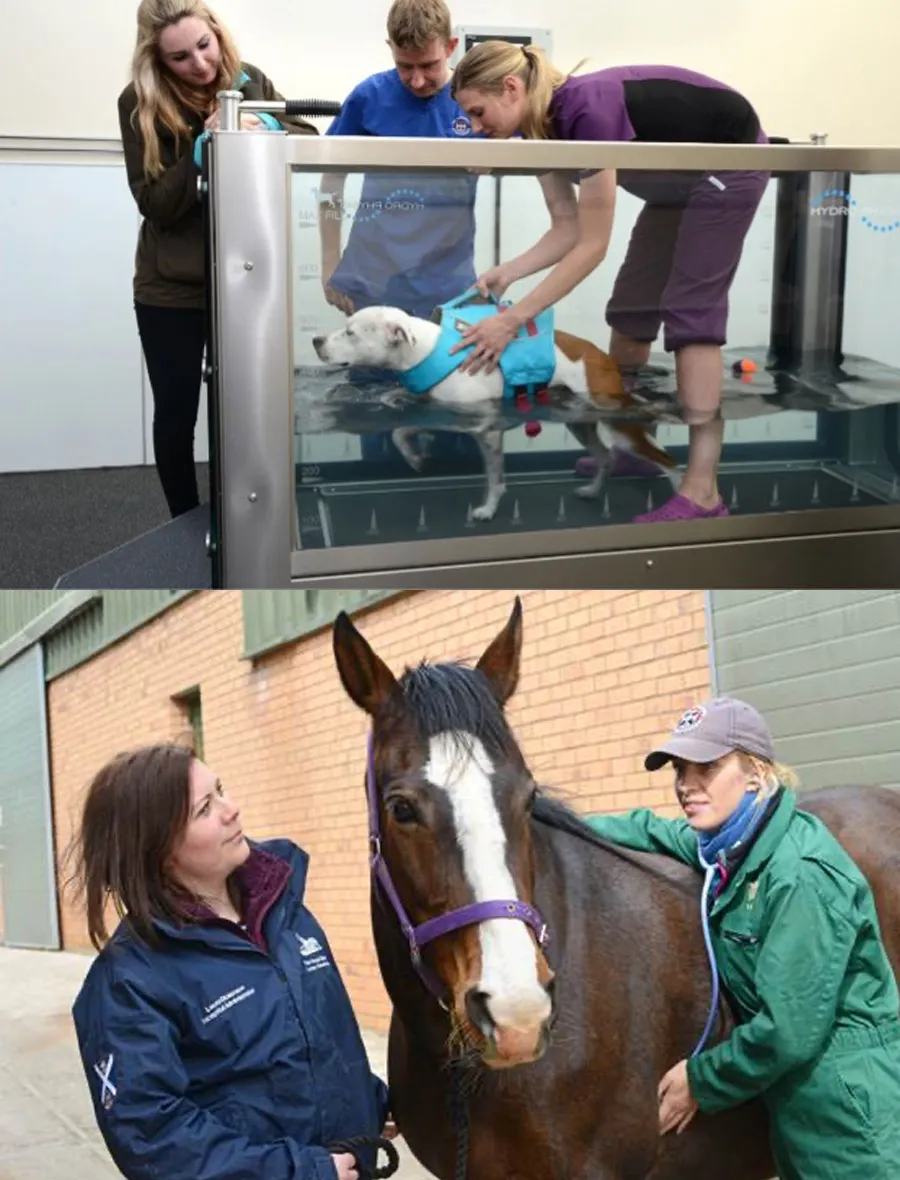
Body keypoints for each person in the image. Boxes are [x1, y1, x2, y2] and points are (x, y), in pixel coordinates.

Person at [450, 45, 773, 523]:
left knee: (691, 312)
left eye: (477, 112)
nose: (476, 127)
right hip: (675, 181)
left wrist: (513, 320)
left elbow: (592, 246)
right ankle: (634, 447)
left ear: (512, 88)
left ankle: (703, 493)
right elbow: (567, 229)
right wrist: (508, 272)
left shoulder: (587, 110)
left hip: (729, 161)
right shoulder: (538, 131)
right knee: (631, 309)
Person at [584, 696, 900, 1180]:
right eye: (680, 770)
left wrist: (700, 1080)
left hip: (847, 1110)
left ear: (756, 773)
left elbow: (787, 1031)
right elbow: (651, 830)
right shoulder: (731, 844)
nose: (686, 785)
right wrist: (546, 823)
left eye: (707, 767)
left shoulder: (799, 874)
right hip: (801, 1105)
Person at [67, 743, 394, 1180]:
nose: (232, 809)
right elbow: (153, 1137)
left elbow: (319, 1037)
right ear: (157, 848)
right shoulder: (127, 983)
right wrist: (301, 1172)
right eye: (205, 808)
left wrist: (370, 1103)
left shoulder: (283, 912)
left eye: (220, 789)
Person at [119, 0, 317, 518]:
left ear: (216, 32)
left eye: (204, 46)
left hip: (246, 280)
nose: (201, 64)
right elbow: (155, 204)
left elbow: (308, 138)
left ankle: (249, 519)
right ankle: (185, 523)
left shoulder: (250, 80)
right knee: (177, 412)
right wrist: (205, 148)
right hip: (172, 288)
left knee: (251, 409)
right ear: (157, 59)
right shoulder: (138, 102)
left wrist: (265, 127)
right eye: (180, 58)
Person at [317, 0, 483, 466]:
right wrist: (330, 262)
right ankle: (378, 491)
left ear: (451, 46)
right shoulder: (369, 97)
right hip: (374, 276)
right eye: (404, 66)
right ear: (390, 48)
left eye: (428, 66)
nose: (416, 80)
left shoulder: (473, 100)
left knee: (455, 403)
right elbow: (330, 178)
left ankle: (456, 497)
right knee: (374, 408)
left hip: (447, 283)